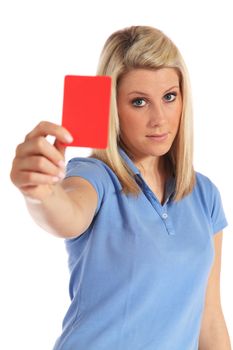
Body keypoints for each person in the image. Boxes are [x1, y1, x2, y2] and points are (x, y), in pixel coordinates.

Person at [10, 26, 231, 350]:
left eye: (169, 97)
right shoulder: (95, 176)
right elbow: (66, 213)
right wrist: (39, 193)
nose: (159, 119)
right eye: (139, 102)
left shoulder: (205, 195)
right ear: (112, 107)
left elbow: (209, 320)